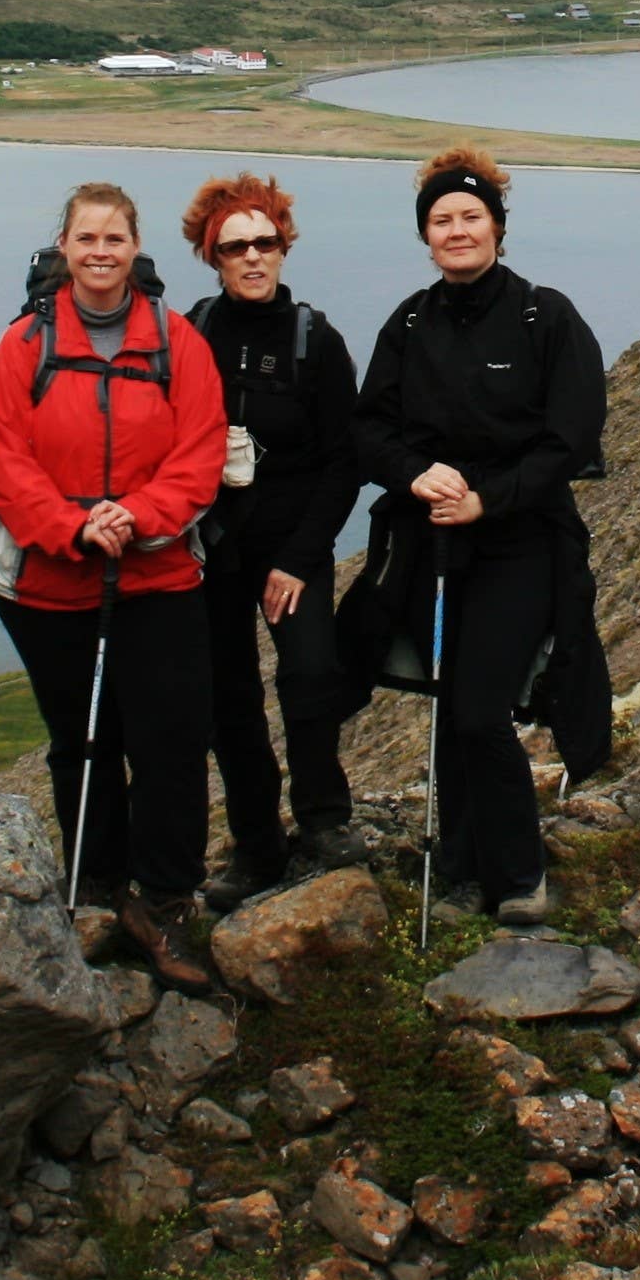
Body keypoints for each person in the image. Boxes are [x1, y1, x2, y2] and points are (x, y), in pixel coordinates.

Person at [0, 181, 229, 988]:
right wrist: (74, 526)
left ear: (134, 247)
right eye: (86, 239)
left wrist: (138, 517)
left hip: (156, 575)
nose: (99, 252)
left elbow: (202, 449)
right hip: (50, 583)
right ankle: (95, 887)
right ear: (65, 247)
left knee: (171, 740)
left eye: (113, 239)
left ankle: (165, 898)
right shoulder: (23, 346)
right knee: (83, 743)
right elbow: (2, 456)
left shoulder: (177, 342)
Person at [350, 142, 613, 925]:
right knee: (445, 705)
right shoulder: (409, 323)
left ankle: (520, 874)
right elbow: (370, 429)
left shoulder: (545, 316)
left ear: (497, 227)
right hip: (434, 546)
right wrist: (413, 475)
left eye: (470, 217)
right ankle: (462, 865)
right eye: (441, 220)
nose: (456, 231)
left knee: (476, 709)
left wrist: (488, 500)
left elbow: (572, 437)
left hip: (521, 546)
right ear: (425, 236)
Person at [177, 172, 364, 903]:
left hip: (292, 548)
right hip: (213, 549)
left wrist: (297, 559)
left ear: (284, 248)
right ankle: (258, 845)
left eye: (265, 243)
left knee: (311, 675)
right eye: (234, 248)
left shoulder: (315, 341)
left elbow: (343, 461)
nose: (252, 258)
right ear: (211, 257)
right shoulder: (190, 333)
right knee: (230, 699)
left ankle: (324, 819)